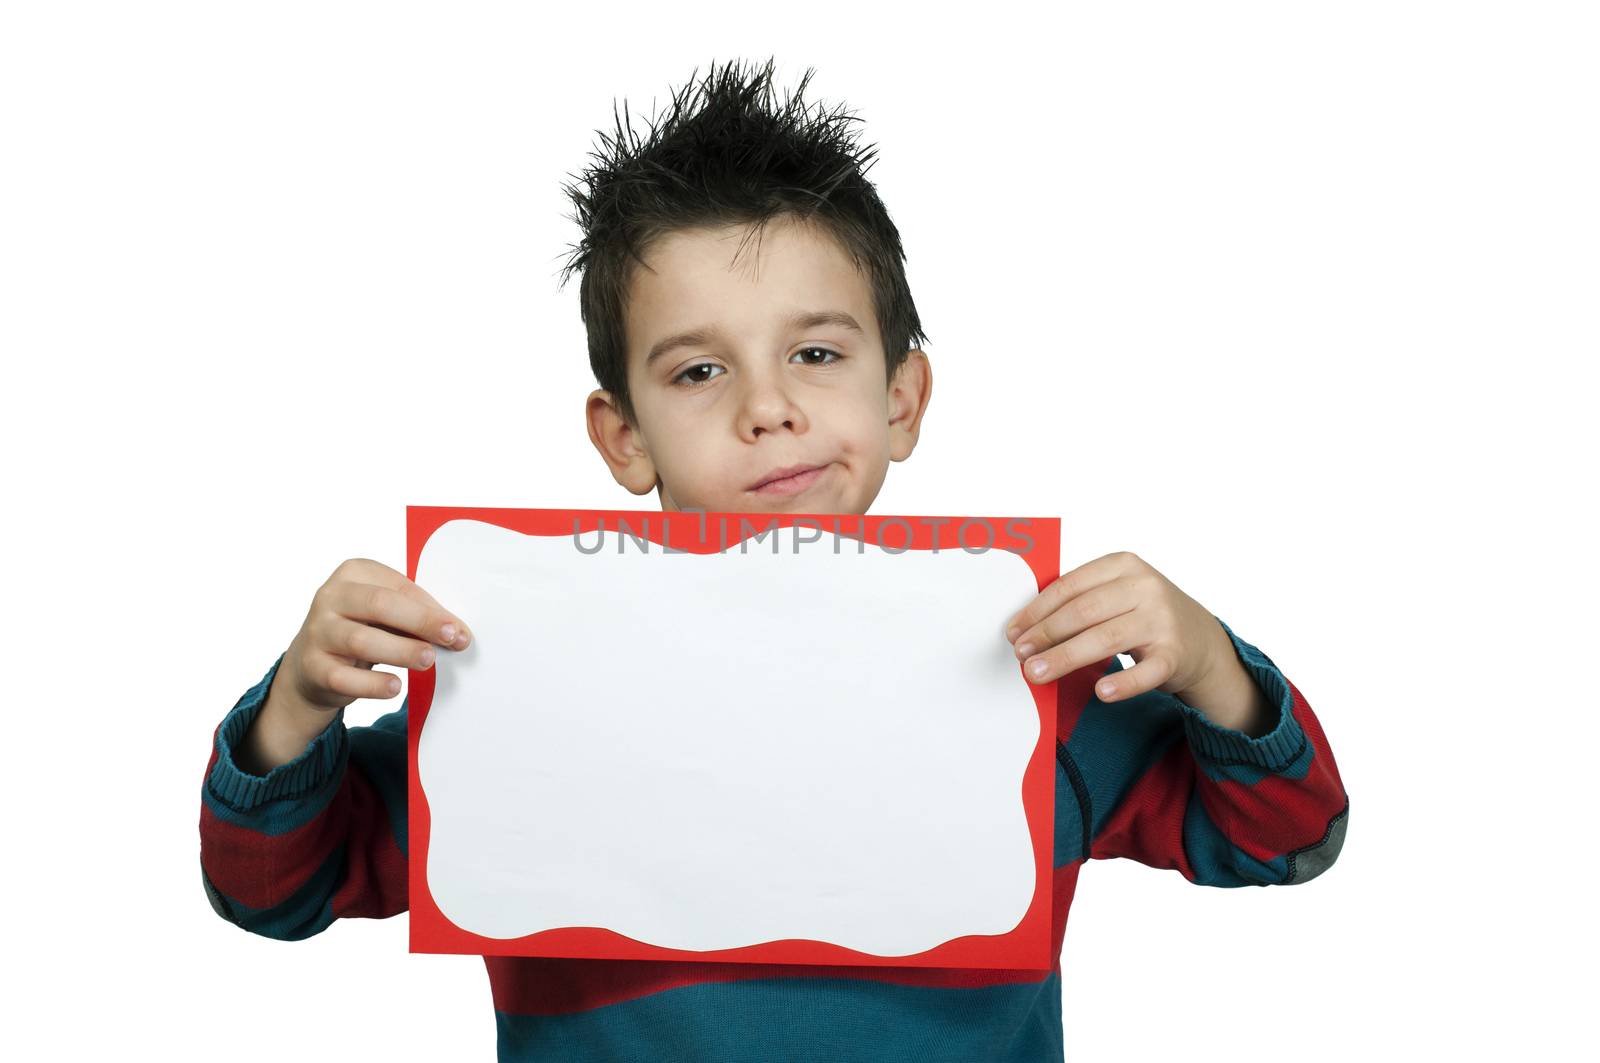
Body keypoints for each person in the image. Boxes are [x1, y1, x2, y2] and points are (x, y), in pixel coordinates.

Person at [198, 56, 1349, 1062]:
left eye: (814, 351)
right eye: (698, 371)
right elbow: (274, 891)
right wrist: (294, 709)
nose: (768, 410)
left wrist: (1211, 664)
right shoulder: (524, 678)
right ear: (622, 436)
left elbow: (1290, 841)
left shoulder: (1037, 670)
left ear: (901, 399)